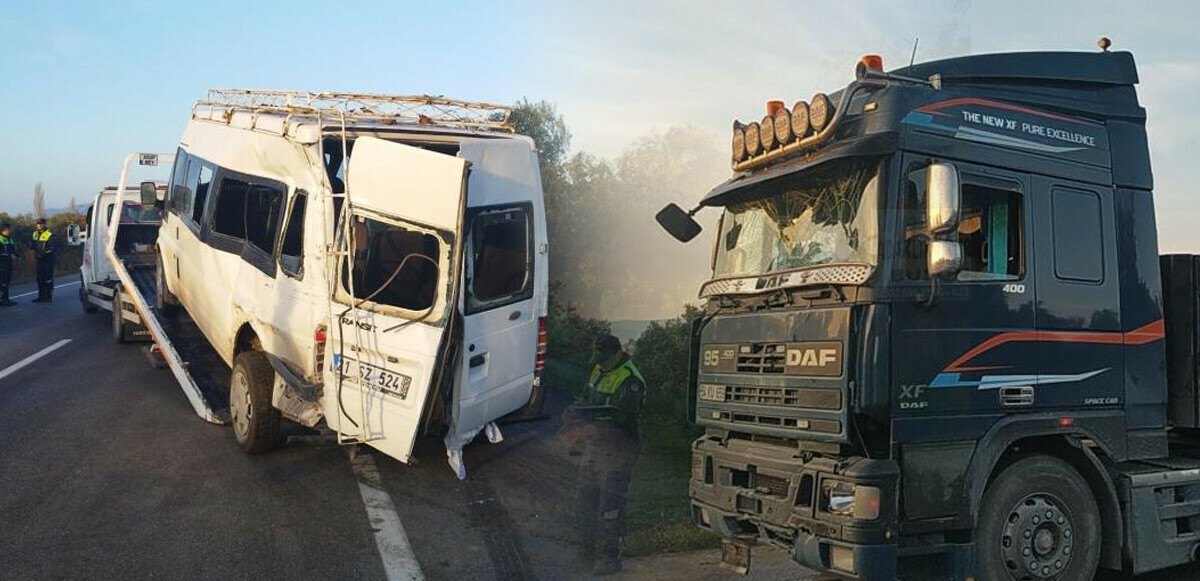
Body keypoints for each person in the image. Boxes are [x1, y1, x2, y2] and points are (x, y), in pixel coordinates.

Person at [563, 334, 646, 576]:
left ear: (618, 354)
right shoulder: (598, 370)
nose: (601, 363)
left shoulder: (631, 379)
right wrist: (576, 407)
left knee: (611, 503)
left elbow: (622, 417)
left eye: (605, 358)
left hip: (620, 445)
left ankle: (610, 558)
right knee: (585, 499)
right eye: (598, 358)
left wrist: (588, 417)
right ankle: (584, 554)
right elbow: (587, 397)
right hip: (596, 443)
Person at [30, 218, 56, 303]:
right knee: (39, 278)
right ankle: (41, 296)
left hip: (47, 259)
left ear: (45, 224)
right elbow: (33, 244)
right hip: (38, 259)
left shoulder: (49, 234)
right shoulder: (34, 234)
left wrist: (44, 253)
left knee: (48, 278)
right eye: (38, 224)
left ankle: (48, 296)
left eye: (41, 224)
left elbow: (52, 248)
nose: (39, 225)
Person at [0, 223, 15, 306]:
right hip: (2, 263)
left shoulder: (9, 238)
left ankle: (5, 298)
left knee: (7, 281)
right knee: (3, 281)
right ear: (5, 230)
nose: (11, 231)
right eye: (10, 229)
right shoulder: (0, 238)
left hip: (9, 263)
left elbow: (12, 249)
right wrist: (8, 255)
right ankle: (4, 300)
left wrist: (16, 255)